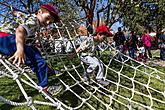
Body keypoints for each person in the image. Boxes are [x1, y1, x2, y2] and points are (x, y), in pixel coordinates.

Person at [0, 4, 63, 95]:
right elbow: (20, 30)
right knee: (39, 61)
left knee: (35, 50)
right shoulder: (34, 21)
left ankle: (48, 70)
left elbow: (18, 14)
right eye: (47, 18)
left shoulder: (28, 17)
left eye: (51, 22)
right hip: (6, 39)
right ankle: (45, 88)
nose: (48, 22)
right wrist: (20, 50)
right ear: (39, 12)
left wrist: (14, 12)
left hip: (4, 39)